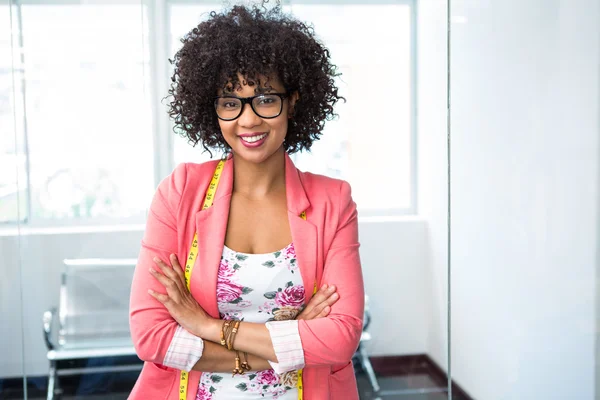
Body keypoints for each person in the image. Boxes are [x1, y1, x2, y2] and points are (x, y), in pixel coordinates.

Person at [128, 4, 364, 399]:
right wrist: (290, 341)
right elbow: (152, 337)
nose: (248, 120)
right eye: (230, 102)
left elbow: (339, 339)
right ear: (213, 109)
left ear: (293, 101)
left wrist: (207, 328)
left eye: (266, 99)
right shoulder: (181, 192)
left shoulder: (332, 201)